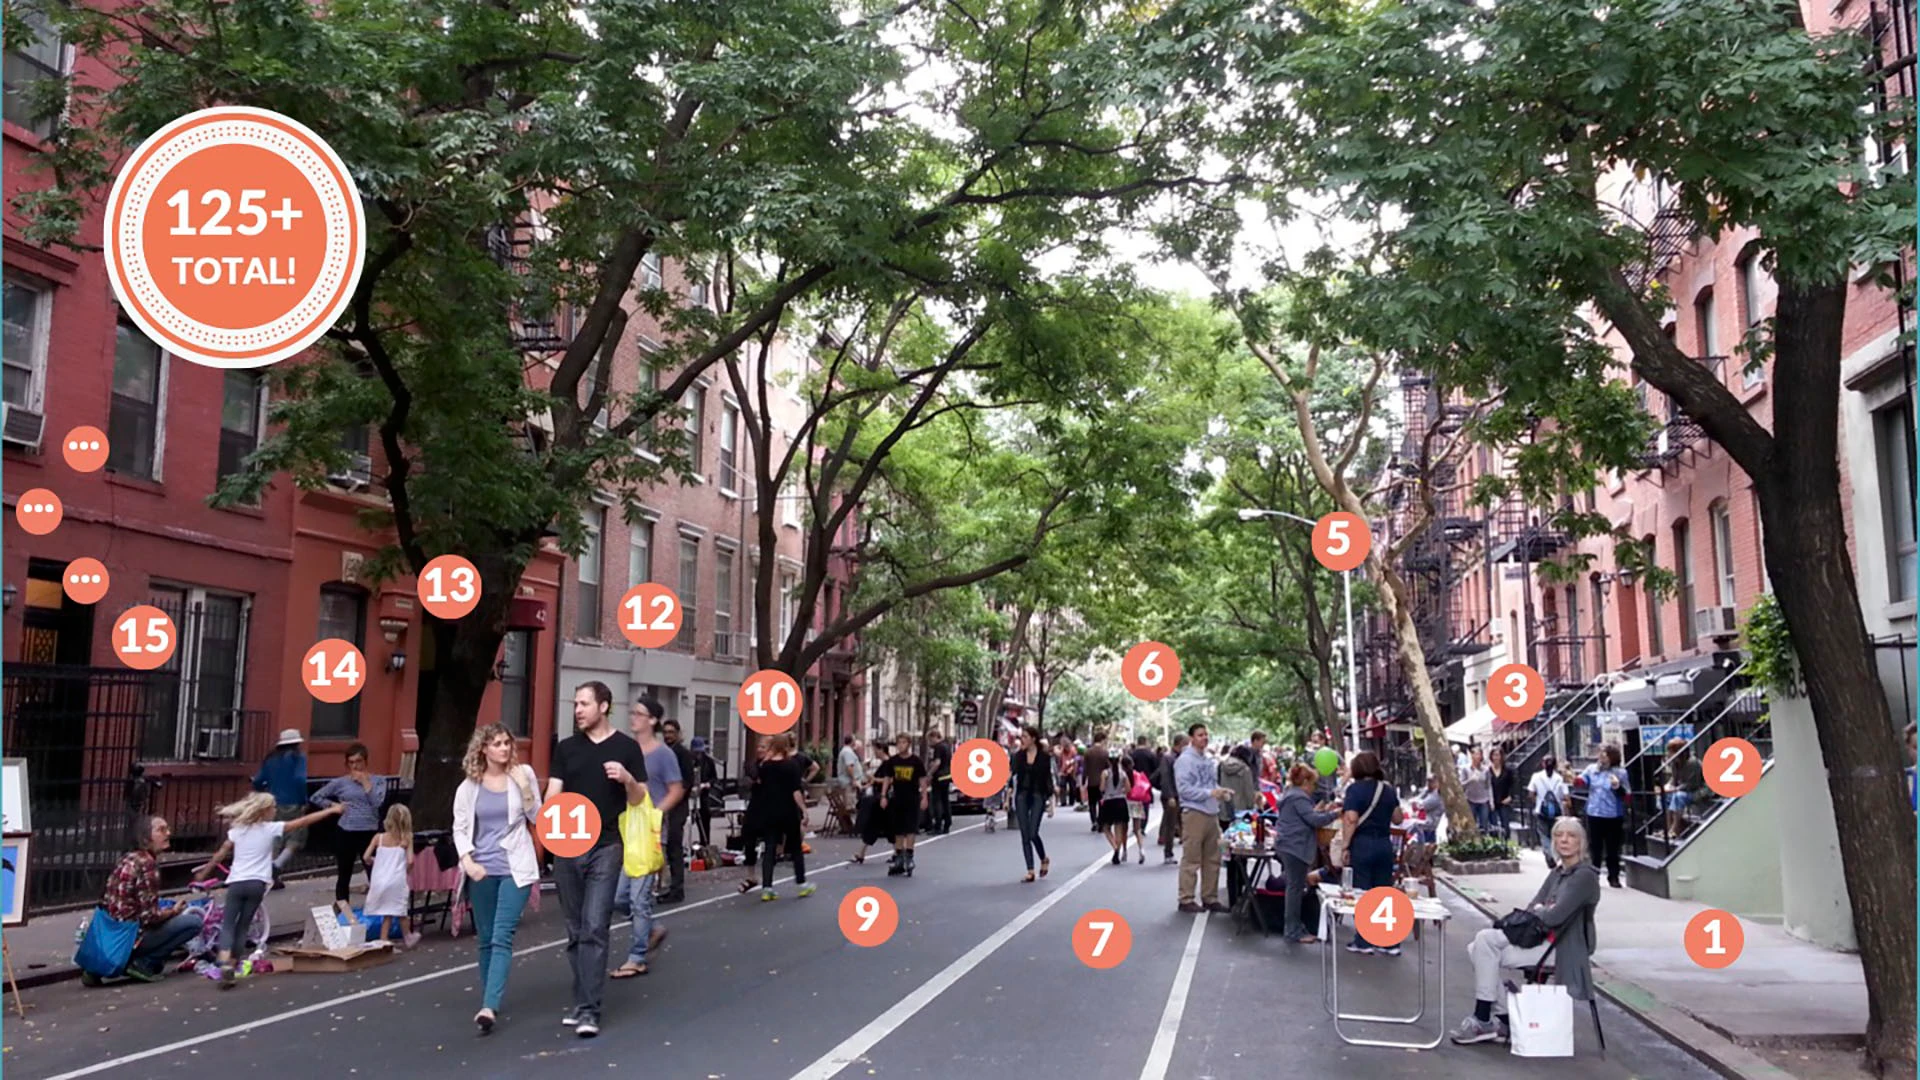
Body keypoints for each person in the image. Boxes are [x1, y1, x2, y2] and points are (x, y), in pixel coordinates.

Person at [546, 681, 648, 1038]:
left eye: (584, 704)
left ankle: (589, 1010)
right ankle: (582, 1001)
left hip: (606, 845)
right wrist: (545, 820)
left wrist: (627, 778)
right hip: (566, 847)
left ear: (603, 706)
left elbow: (639, 798)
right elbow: (553, 793)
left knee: (594, 926)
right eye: (575, 704)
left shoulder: (627, 748)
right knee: (575, 930)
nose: (577, 710)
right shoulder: (566, 748)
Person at [1450, 818, 1601, 1045]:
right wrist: (1543, 909)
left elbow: (1554, 916)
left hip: (1564, 949)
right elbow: (1533, 908)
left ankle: (1487, 1018)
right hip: (1541, 941)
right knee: (1479, 948)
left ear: (1581, 842)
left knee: (1482, 944)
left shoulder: (1584, 876)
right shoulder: (1558, 872)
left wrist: (1543, 910)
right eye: (1559, 835)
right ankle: (1502, 1020)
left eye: (1571, 836)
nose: (1564, 840)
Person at [196, 793, 343, 989]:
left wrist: (204, 873)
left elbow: (220, 854)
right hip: (257, 884)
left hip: (237, 883)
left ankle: (223, 959)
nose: (275, 810)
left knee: (229, 923)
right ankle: (232, 964)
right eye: (273, 807)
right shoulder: (270, 829)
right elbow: (303, 821)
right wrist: (331, 811)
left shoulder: (237, 831)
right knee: (243, 925)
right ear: (264, 811)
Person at [454, 723, 542, 1034]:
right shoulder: (469, 787)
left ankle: (489, 1006)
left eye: (507, 743)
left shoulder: (523, 774)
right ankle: (488, 996)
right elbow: (460, 828)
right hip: (482, 869)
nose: (504, 748)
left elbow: (538, 818)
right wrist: (468, 861)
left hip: (515, 867)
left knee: (502, 935)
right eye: (497, 744)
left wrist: (526, 788)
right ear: (484, 749)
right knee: (486, 938)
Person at [614, 698, 683, 977]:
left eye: (639, 714)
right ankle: (652, 928)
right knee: (619, 897)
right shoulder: (626, 750)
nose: (633, 717)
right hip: (626, 829)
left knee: (638, 898)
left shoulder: (663, 754)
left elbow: (676, 789)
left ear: (653, 720)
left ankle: (637, 956)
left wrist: (657, 813)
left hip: (649, 833)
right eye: (632, 712)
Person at [91, 816, 205, 984]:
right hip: (131, 936)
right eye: (161, 830)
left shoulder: (127, 858)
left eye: (167, 829)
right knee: (193, 923)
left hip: (109, 934)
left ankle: (94, 970)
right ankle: (144, 962)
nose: (168, 833)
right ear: (146, 837)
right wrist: (173, 912)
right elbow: (149, 917)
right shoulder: (148, 865)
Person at [1340, 751, 1405, 955]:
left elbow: (1351, 819)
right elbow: (1398, 818)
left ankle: (1364, 940)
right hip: (1384, 844)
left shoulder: (1354, 790)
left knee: (1363, 892)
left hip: (1362, 844)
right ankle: (1389, 941)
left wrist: (1345, 846)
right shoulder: (1387, 789)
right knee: (1384, 892)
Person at [737, 734, 814, 901]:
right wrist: (804, 810)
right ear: (785, 746)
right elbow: (795, 791)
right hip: (788, 811)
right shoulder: (791, 765)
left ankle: (767, 887)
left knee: (770, 847)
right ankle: (801, 883)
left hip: (769, 812)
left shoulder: (766, 767)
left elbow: (759, 781)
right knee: (795, 847)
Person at [312, 744, 388, 905]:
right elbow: (316, 797)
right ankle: (342, 907)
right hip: (346, 830)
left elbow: (377, 803)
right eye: (351, 762)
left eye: (358, 761)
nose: (355, 766)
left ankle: (378, 907)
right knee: (344, 872)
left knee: (374, 872)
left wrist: (365, 783)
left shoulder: (378, 781)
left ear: (365, 761)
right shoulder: (340, 783)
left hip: (369, 832)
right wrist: (334, 806)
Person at [1274, 764, 1339, 943]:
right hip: (1296, 846)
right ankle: (1292, 930)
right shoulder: (1299, 797)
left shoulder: (1290, 795)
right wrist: (1335, 814)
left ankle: (1294, 926)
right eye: (1312, 784)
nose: (1313, 788)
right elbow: (1313, 820)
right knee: (1295, 889)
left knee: (1294, 887)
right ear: (1305, 782)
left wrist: (1322, 811)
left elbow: (1306, 816)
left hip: (1288, 844)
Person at [1174, 724, 1234, 914]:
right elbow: (1184, 789)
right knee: (1192, 857)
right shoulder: (1185, 760)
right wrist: (1210, 793)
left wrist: (1221, 792)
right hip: (1194, 812)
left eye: (1206, 734)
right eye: (1200, 735)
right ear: (1191, 738)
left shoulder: (1208, 759)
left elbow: (1210, 784)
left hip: (1211, 812)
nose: (1204, 738)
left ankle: (1210, 897)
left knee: (1213, 857)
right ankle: (1186, 899)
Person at [252, 729, 308, 890]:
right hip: (293, 802)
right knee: (295, 838)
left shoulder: (270, 759)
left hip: (272, 804)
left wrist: (263, 792)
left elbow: (257, 781)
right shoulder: (298, 758)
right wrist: (303, 799)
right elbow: (300, 779)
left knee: (274, 838)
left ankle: (268, 875)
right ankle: (276, 866)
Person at [361, 804, 419, 949]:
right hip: (396, 879)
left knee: (389, 910)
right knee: (399, 908)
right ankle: (406, 936)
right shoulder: (406, 839)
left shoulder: (378, 838)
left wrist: (374, 861)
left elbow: (366, 857)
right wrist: (406, 871)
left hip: (379, 880)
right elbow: (410, 861)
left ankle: (385, 937)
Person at [657, 717, 698, 904]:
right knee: (663, 846)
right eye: (665, 732)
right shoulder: (663, 752)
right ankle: (666, 884)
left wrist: (675, 798)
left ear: (678, 734)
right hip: (663, 803)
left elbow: (687, 781)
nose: (668, 736)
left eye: (671, 733)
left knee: (674, 846)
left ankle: (677, 888)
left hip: (677, 806)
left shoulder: (682, 754)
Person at [878, 732, 930, 876]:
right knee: (898, 829)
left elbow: (922, 780)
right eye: (899, 743)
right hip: (897, 798)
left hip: (912, 798)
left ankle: (909, 856)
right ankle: (899, 857)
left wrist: (924, 797)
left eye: (903, 742)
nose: (900, 745)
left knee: (911, 828)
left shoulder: (916, 761)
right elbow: (887, 779)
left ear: (909, 744)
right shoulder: (893, 761)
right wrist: (883, 796)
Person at [1580, 744, 1630, 888]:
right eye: (1601, 753)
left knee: (1613, 848)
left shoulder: (1620, 773)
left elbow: (1627, 796)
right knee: (1595, 847)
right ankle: (1593, 876)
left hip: (1613, 815)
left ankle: (1613, 876)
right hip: (1594, 812)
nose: (1601, 756)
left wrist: (1617, 786)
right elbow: (1581, 782)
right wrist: (1573, 779)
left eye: (1605, 754)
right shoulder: (1592, 769)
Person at [1011, 725, 1053, 882]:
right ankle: (1030, 870)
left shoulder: (1044, 757)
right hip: (1022, 794)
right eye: (1022, 737)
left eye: (1025, 737)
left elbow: (1048, 779)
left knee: (1033, 832)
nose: (1022, 739)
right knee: (1024, 833)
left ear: (1033, 739)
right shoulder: (1018, 756)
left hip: (1038, 795)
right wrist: (1008, 797)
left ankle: (1043, 858)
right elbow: (1012, 776)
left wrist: (1051, 802)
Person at [1659, 738, 1703, 839]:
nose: (1668, 754)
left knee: (1678, 796)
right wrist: (1666, 787)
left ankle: (1675, 829)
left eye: (1670, 751)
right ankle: (1668, 828)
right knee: (1665, 796)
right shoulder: (1675, 763)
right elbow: (1674, 778)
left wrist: (1675, 789)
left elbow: (1692, 784)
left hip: (1697, 790)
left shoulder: (1693, 763)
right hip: (1683, 789)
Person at [1529, 756, 1569, 867]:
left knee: (1543, 835)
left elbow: (1531, 793)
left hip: (1541, 810)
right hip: (1557, 811)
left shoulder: (1536, 777)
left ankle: (1550, 854)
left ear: (1543, 764)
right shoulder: (1559, 778)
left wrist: (1537, 802)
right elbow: (1566, 795)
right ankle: (1553, 855)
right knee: (1555, 834)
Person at [1155, 734, 1187, 865]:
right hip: (1172, 796)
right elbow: (1165, 778)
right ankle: (1168, 853)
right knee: (1171, 824)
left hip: (1182, 795)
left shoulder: (1182, 757)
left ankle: (1187, 853)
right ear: (1180, 743)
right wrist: (1170, 796)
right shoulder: (1168, 758)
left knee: (1184, 823)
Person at [1096, 750, 1132, 865]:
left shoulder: (1105, 773)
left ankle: (1115, 847)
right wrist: (1120, 791)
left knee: (1106, 827)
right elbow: (1128, 789)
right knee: (1119, 828)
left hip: (1109, 801)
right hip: (1121, 801)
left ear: (1108, 761)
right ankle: (1118, 849)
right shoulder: (1123, 773)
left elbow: (1102, 788)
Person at [688, 735, 719, 850]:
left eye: (699, 752)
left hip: (703, 794)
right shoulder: (688, 761)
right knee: (688, 821)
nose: (698, 755)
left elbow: (714, 778)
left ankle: (705, 844)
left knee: (705, 818)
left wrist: (707, 784)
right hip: (690, 795)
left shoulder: (709, 762)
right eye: (696, 752)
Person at [1219, 745, 1259, 827]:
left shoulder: (1221, 766)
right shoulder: (1245, 769)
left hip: (1223, 807)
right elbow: (1248, 791)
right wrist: (1251, 806)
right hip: (1239, 811)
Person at [1081, 731, 1111, 833]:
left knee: (1092, 803)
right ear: (1102, 740)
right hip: (1103, 782)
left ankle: (1094, 821)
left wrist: (1083, 780)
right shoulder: (1105, 752)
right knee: (1102, 803)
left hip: (1091, 781)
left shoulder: (1088, 752)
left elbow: (1085, 768)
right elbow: (1108, 767)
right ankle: (1100, 822)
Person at [925, 730, 954, 836]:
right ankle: (947, 823)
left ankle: (938, 825)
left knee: (937, 801)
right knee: (945, 800)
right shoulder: (946, 746)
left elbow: (937, 762)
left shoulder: (938, 747)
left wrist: (929, 773)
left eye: (930, 740)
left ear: (934, 737)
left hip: (939, 777)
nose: (929, 743)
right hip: (947, 775)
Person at [1463, 747, 1494, 834]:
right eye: (1475, 754)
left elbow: (1489, 785)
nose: (1477, 756)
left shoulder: (1486, 770)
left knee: (1484, 824)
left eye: (1479, 754)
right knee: (1471, 824)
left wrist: (1491, 801)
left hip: (1483, 800)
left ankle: (1484, 839)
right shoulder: (1466, 769)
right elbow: (1461, 785)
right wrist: (1470, 780)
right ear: (1471, 756)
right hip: (1470, 799)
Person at [1489, 746, 1514, 835]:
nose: (1496, 757)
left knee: (1505, 825)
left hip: (1504, 801)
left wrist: (1510, 796)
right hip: (1492, 802)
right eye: (1494, 755)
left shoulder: (1508, 770)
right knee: (1493, 827)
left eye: (1498, 755)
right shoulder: (1488, 770)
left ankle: (1506, 841)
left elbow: (1513, 784)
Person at [1414, 775, 1445, 845]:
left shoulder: (1436, 795)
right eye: (1428, 782)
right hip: (1425, 821)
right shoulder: (1428, 791)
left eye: (1431, 782)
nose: (1429, 784)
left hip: (1430, 824)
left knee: (1426, 844)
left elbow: (1422, 805)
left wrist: (1417, 802)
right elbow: (1416, 799)